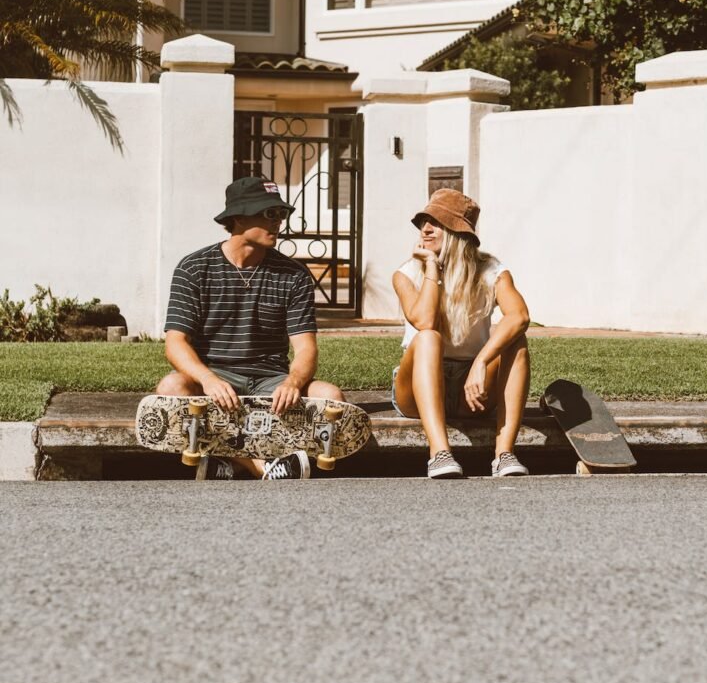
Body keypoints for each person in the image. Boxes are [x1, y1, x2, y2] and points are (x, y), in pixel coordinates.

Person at [156, 176, 345, 480]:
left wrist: (293, 383)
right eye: (269, 214)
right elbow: (175, 343)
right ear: (239, 217)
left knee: (331, 396)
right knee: (170, 388)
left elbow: (306, 348)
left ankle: (221, 459)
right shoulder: (193, 268)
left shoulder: (293, 275)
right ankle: (262, 466)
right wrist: (208, 379)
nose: (278, 223)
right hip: (216, 376)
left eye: (281, 214)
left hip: (270, 379)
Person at [392, 188, 531, 479]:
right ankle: (440, 454)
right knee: (429, 338)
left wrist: (481, 361)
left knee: (516, 342)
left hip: (474, 389)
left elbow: (519, 316)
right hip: (418, 388)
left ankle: (504, 454)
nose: (425, 230)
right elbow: (425, 321)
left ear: (459, 233)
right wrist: (432, 267)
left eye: (436, 223)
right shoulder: (407, 274)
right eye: (422, 222)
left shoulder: (491, 271)